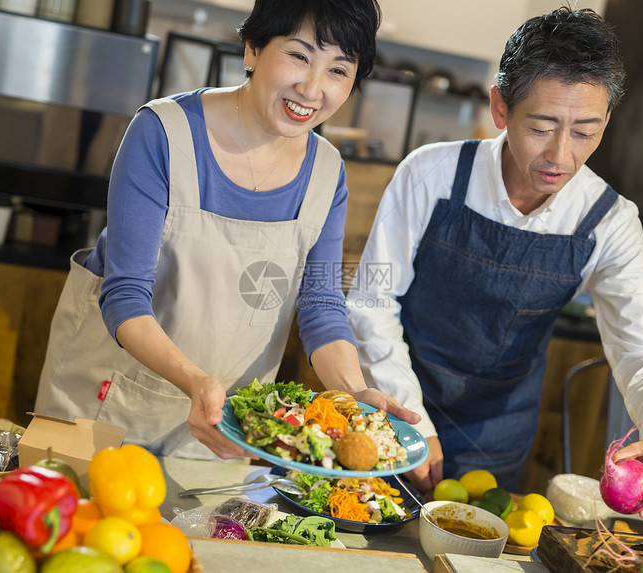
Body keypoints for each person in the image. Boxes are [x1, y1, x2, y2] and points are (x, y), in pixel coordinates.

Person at [346, 7, 643, 519]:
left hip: (498, 435)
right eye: (541, 126)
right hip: (392, 407)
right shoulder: (431, 174)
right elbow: (372, 300)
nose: (560, 155)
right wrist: (411, 418)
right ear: (500, 108)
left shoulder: (611, 221)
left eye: (584, 132)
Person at [34, 0, 418, 460]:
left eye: (339, 70)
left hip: (226, 426)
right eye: (298, 56)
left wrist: (355, 391)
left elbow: (320, 304)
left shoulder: (327, 173)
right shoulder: (162, 133)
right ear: (252, 49)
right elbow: (125, 295)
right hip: (105, 401)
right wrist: (195, 382)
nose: (313, 89)